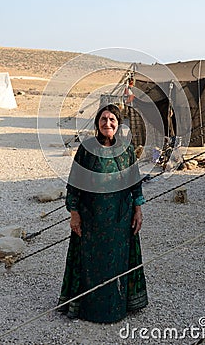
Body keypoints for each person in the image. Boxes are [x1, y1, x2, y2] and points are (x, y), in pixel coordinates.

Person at [58, 104, 148, 323]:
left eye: (112, 120)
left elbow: (135, 182)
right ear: (97, 123)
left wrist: (138, 209)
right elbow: (74, 183)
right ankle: (88, 308)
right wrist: (74, 213)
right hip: (91, 217)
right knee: (91, 262)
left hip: (120, 216)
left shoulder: (126, 149)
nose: (108, 124)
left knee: (117, 261)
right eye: (103, 120)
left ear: (118, 124)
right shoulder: (87, 148)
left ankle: (117, 306)